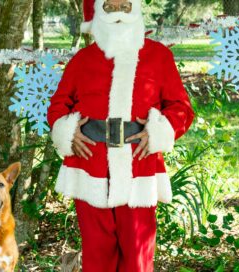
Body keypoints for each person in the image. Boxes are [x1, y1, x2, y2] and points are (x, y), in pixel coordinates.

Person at [46, 0, 194, 270]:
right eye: (110, 7)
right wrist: (68, 131)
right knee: (97, 254)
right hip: (90, 166)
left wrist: (159, 131)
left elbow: (181, 108)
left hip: (139, 166)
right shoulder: (82, 60)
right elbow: (58, 105)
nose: (118, 15)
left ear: (135, 9)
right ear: (98, 12)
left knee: (138, 255)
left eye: (124, 7)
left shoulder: (159, 56)